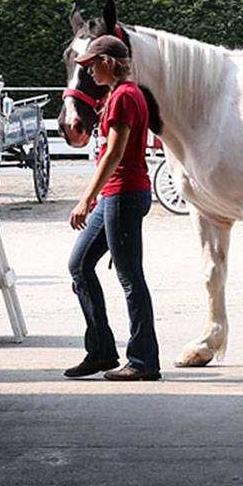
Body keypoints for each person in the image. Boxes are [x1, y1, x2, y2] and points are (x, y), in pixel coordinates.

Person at [64, 34, 161, 381]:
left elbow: (115, 153)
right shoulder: (118, 96)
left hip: (122, 193)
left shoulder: (124, 97)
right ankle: (102, 350)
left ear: (108, 62)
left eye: (92, 64)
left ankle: (143, 361)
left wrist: (86, 198)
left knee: (130, 278)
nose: (89, 71)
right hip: (116, 196)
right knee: (80, 265)